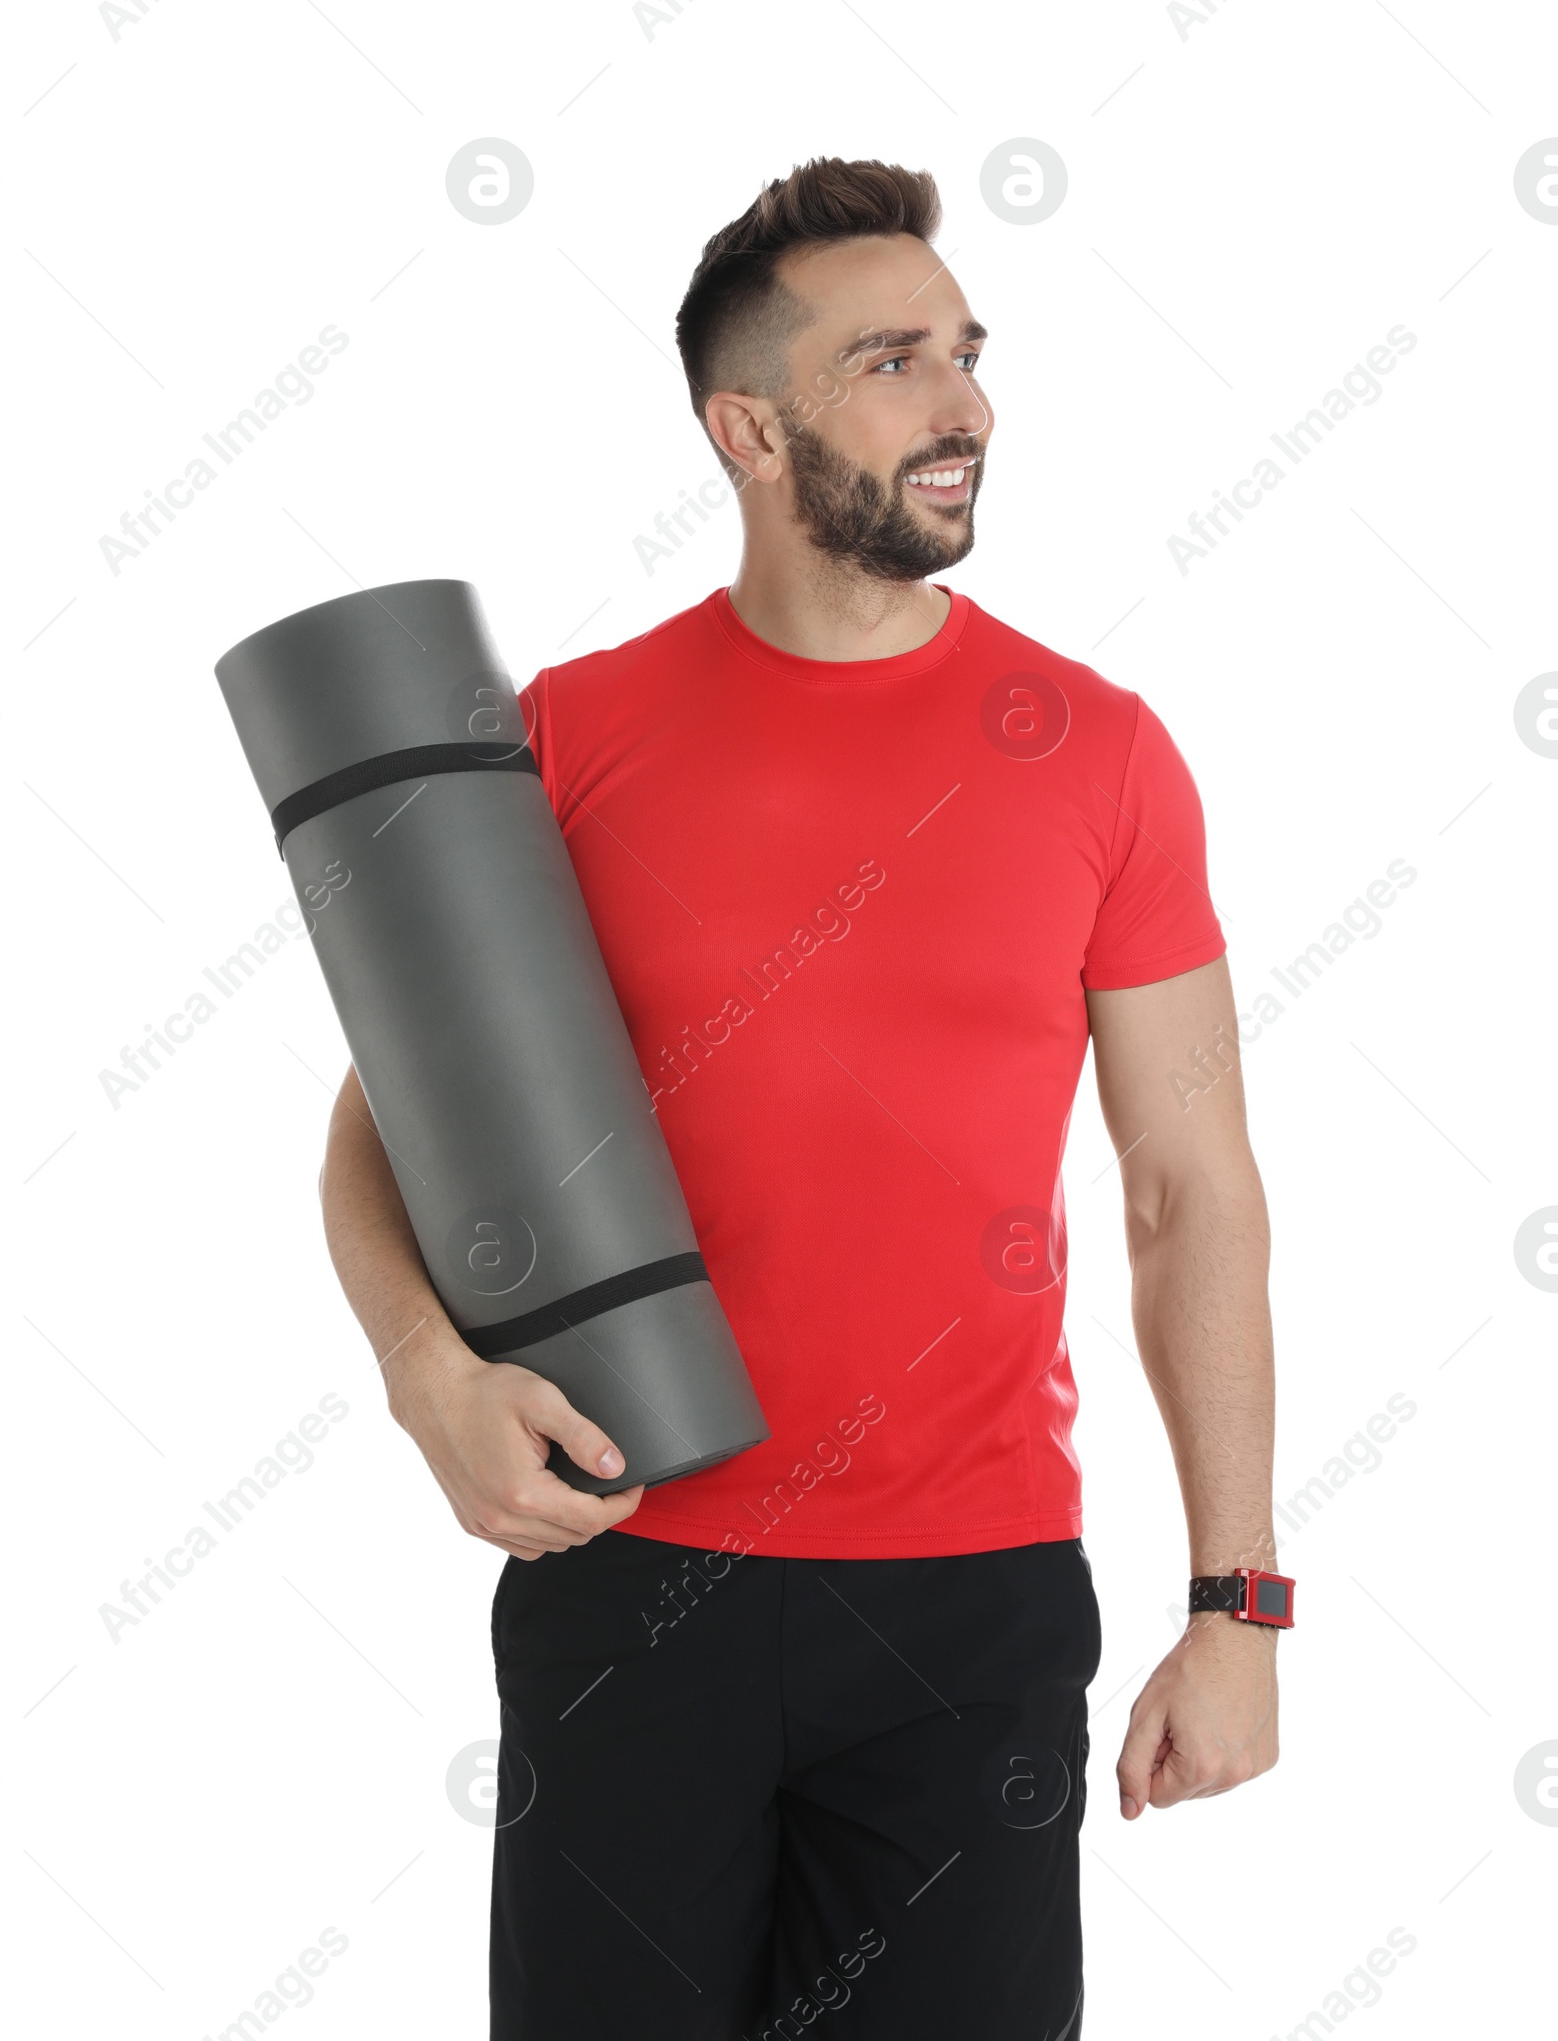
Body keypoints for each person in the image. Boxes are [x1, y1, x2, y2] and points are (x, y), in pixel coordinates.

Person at [319, 157, 1282, 2040]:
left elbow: (1193, 1187)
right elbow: (380, 1123)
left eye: (971, 353)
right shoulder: (570, 735)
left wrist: (1237, 1602)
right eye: (895, 362)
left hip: (972, 1607)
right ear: (747, 428)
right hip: (629, 1575)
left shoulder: (1100, 753)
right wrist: (430, 1381)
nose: (966, 403)